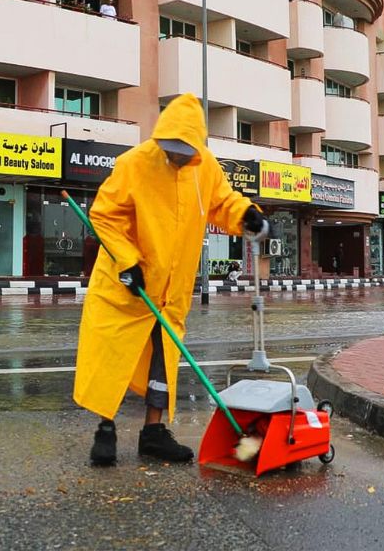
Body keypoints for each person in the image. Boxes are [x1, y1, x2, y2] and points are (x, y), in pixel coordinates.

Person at [73, 93, 268, 466]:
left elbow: (222, 203)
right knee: (110, 360)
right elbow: (104, 215)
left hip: (170, 290)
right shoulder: (134, 164)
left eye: (182, 150)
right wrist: (128, 261)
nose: (174, 156)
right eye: (169, 148)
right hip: (125, 284)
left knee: (162, 364)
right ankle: (106, 430)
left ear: (195, 146)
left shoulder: (204, 168)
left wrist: (247, 215)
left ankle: (154, 432)